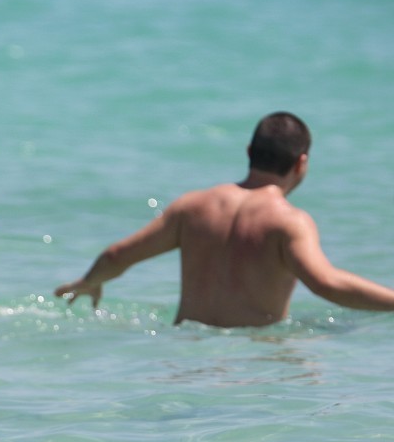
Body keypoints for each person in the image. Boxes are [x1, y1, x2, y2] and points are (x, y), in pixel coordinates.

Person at [54, 112, 394, 328]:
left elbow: (118, 254)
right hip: (252, 364)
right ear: (301, 163)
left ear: (249, 151)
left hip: (186, 354)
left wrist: (90, 281)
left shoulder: (192, 207)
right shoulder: (289, 221)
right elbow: (327, 284)